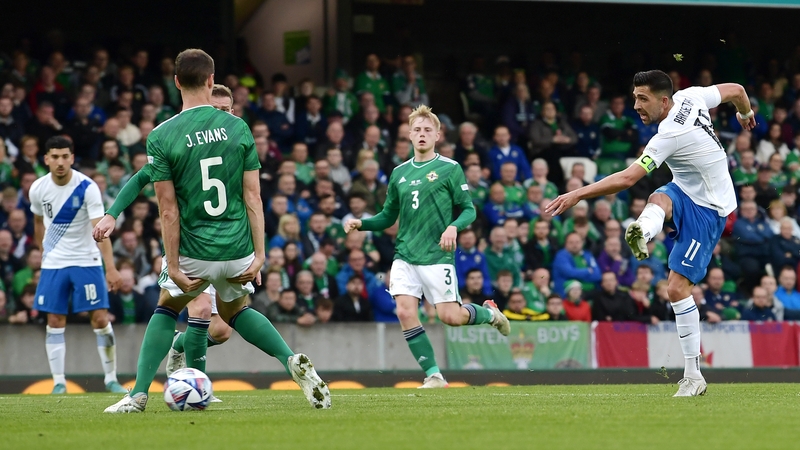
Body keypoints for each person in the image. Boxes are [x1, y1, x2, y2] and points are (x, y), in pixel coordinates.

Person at [103, 49, 330, 413]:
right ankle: (290, 361)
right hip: (237, 247)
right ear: (211, 81)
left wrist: (174, 264)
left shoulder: (163, 135)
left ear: (176, 82)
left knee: (166, 308)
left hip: (195, 249)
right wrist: (260, 255)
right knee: (237, 310)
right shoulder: (238, 128)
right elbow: (254, 197)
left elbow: (167, 208)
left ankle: (138, 395)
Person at [547, 70, 753, 397]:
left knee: (675, 289)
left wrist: (577, 194)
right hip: (685, 189)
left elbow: (628, 178)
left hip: (712, 208)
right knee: (659, 195)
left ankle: (693, 375)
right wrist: (746, 114)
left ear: (664, 100)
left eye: (643, 99)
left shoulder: (668, 134)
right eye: (634, 98)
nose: (636, 106)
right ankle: (642, 230)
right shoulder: (692, 95)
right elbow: (737, 89)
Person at [343, 104, 510, 388]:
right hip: (405, 255)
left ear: (438, 135)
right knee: (405, 312)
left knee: (451, 317)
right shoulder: (398, 173)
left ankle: (490, 313)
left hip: (437, 256)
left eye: (427, 130)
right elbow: (388, 217)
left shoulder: (450, 168)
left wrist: (453, 226)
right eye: (417, 130)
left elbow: (468, 210)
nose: (422, 134)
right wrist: (363, 223)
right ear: (409, 135)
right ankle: (434, 374)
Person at [94, 84, 237, 401]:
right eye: (216, 110)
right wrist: (112, 213)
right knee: (198, 308)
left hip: (225, 245)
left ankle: (178, 345)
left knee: (222, 330)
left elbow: (249, 202)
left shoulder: (235, 145)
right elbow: (142, 176)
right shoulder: (181, 140)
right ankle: (196, 387)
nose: (222, 116)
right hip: (188, 245)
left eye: (228, 111)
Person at [29, 136, 125, 394]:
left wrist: (111, 268)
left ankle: (111, 379)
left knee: (100, 318)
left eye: (65, 156)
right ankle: (59, 382)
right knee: (55, 319)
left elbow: (100, 229)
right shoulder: (38, 188)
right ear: (46, 159)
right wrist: (43, 251)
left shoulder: (87, 187)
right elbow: (38, 221)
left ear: (72, 158)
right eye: (55, 157)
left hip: (86, 260)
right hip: (55, 264)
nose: (60, 162)